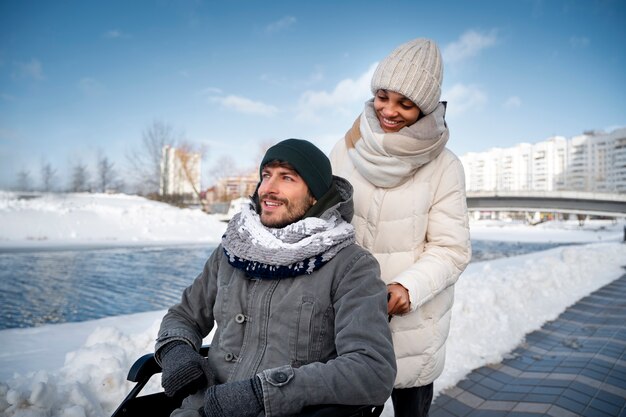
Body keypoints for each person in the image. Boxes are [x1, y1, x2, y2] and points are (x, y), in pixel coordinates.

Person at [155, 138, 397, 417]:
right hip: (200, 409)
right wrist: (176, 348)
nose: (268, 188)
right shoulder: (231, 251)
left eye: (287, 178)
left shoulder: (351, 265)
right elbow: (183, 315)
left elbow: (372, 370)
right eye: (266, 176)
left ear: (316, 195)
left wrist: (263, 393)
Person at [330, 38, 472, 417]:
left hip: (411, 318)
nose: (389, 111)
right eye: (382, 96)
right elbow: (324, 221)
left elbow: (452, 249)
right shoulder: (345, 148)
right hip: (347, 312)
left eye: (405, 104)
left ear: (424, 109)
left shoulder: (445, 166)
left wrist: (407, 287)